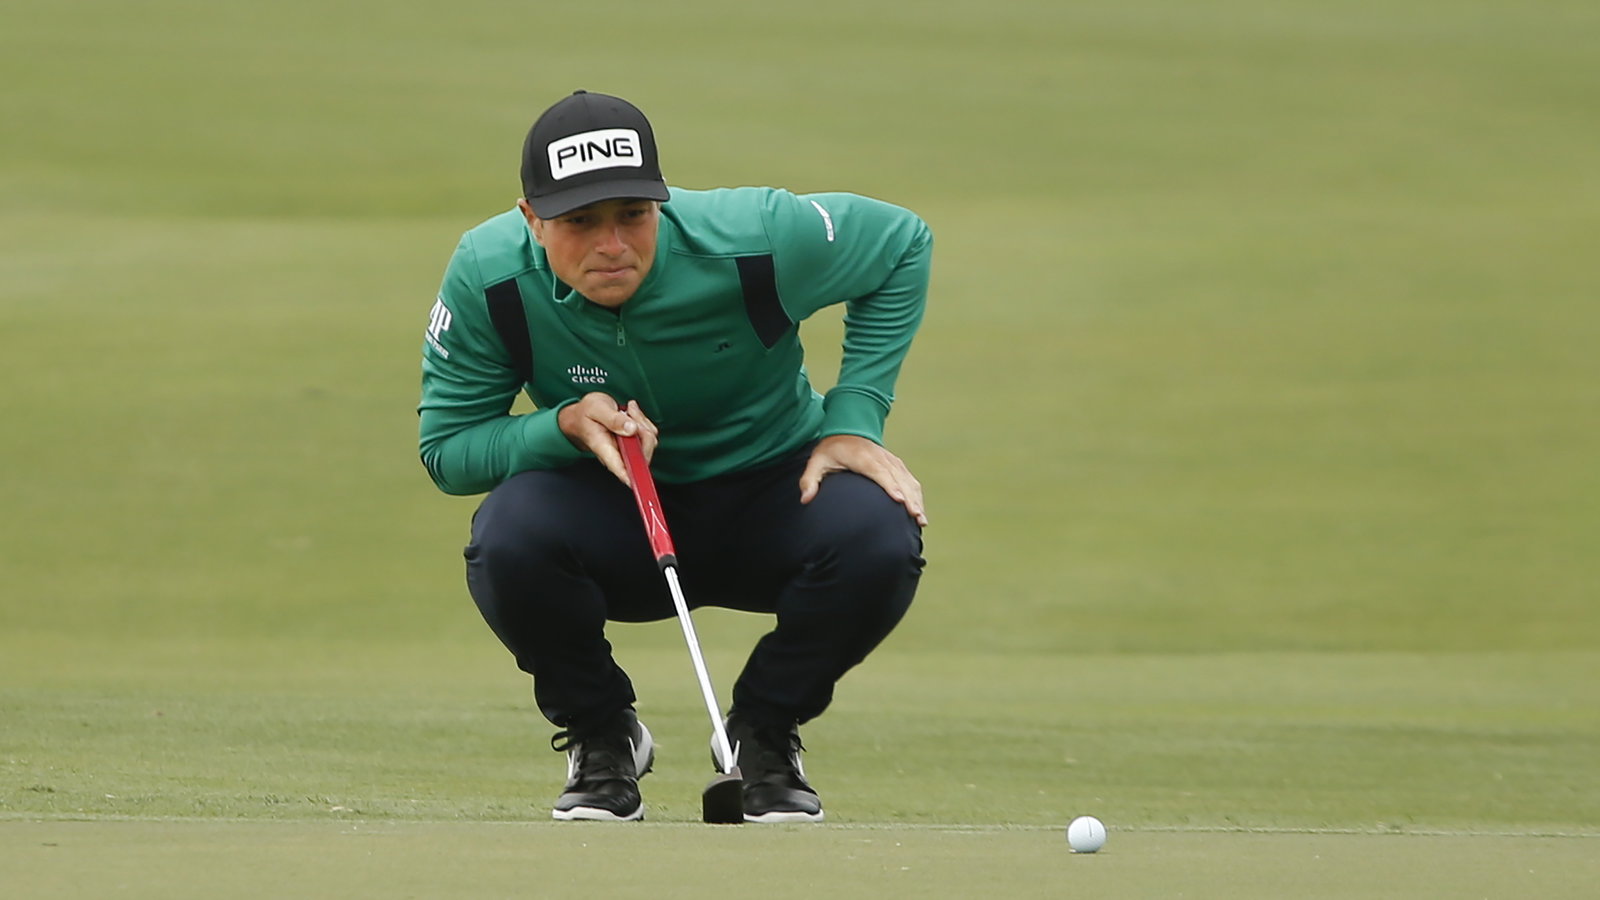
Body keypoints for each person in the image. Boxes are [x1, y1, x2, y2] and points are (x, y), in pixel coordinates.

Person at [416, 90, 932, 823]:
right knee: (509, 537)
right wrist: (561, 426)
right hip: (614, 515)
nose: (612, 244)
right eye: (579, 222)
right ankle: (603, 735)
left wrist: (854, 420)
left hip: (775, 495)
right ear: (531, 218)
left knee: (881, 532)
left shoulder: (755, 236)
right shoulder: (489, 274)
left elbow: (902, 242)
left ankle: (763, 733)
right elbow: (447, 450)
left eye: (633, 214)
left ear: (661, 201)